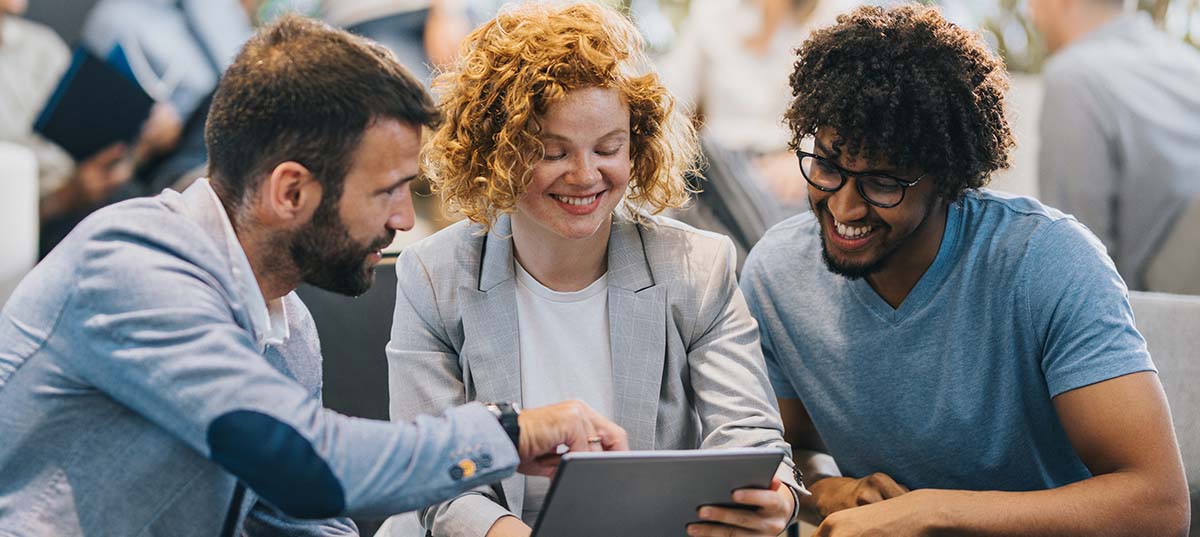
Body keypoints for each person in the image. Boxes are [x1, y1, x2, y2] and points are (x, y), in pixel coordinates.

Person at [0, 15, 628, 537]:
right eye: (388, 192)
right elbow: (306, 462)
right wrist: (507, 432)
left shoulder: (288, 326)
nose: (406, 220)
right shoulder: (131, 267)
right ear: (291, 191)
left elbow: (302, 520)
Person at [739, 5, 1190, 536]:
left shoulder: (1047, 261)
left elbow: (1159, 507)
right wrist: (828, 488)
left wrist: (931, 513)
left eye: (883, 182)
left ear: (949, 179)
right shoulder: (778, 274)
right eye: (828, 167)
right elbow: (773, 449)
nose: (845, 209)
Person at [380, 3, 805, 537]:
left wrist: (776, 499)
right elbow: (435, 478)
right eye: (552, 152)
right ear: (498, 153)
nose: (585, 176)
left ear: (639, 145)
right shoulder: (432, 276)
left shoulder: (698, 266)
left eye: (609, 148)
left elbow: (750, 433)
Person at [1029, 0, 1200, 290]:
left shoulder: (1074, 79)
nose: (1030, 13)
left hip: (1152, 319)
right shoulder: (1190, 65)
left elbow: (1074, 266)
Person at [0, 0, 182, 255]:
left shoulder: (40, 45)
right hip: (40, 222)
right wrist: (64, 199)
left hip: (100, 184)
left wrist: (139, 145)